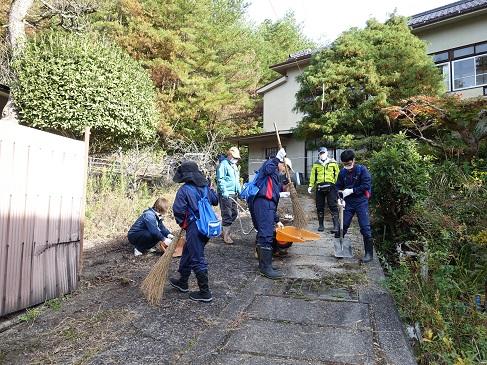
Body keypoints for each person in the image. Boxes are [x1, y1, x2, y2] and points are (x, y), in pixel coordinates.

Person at [169, 161, 219, 302]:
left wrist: (184, 225)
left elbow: (178, 210)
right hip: (206, 228)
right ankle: (183, 282)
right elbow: (215, 201)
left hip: (195, 228)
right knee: (188, 251)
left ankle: (205, 293)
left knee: (197, 257)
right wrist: (210, 187)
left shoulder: (184, 190)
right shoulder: (204, 187)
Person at [249, 148, 292, 279]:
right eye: (286, 168)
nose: (286, 172)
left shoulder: (275, 178)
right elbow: (267, 167)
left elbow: (272, 202)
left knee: (266, 232)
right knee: (266, 234)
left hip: (267, 205)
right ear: (282, 164)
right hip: (262, 203)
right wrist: (277, 158)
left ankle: (266, 265)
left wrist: (277, 219)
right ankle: (265, 267)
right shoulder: (269, 168)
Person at [335, 149, 373, 263]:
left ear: (354, 160)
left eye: (349, 163)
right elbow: (337, 187)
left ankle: (369, 254)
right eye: (345, 164)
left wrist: (352, 190)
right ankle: (339, 249)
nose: (348, 166)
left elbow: (366, 185)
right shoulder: (342, 172)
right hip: (348, 202)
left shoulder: (362, 170)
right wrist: (340, 199)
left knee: (365, 227)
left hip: (361, 201)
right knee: (342, 225)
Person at [308, 147, 340, 233]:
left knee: (333, 205)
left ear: (327, 153)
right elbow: (313, 176)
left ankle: (336, 226)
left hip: (331, 186)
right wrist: (311, 185)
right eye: (321, 153)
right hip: (319, 186)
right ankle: (321, 225)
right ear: (318, 154)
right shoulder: (316, 164)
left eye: (323, 153)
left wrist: (337, 185)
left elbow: (337, 174)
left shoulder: (333, 163)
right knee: (319, 206)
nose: (322, 155)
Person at [217, 146, 241, 244]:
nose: (236, 159)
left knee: (234, 213)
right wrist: (224, 191)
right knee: (227, 214)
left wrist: (239, 191)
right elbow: (220, 179)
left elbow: (236, 180)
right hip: (225, 193)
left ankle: (224, 230)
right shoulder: (223, 164)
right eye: (234, 156)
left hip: (233, 193)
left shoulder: (234, 166)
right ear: (230, 155)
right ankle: (226, 235)